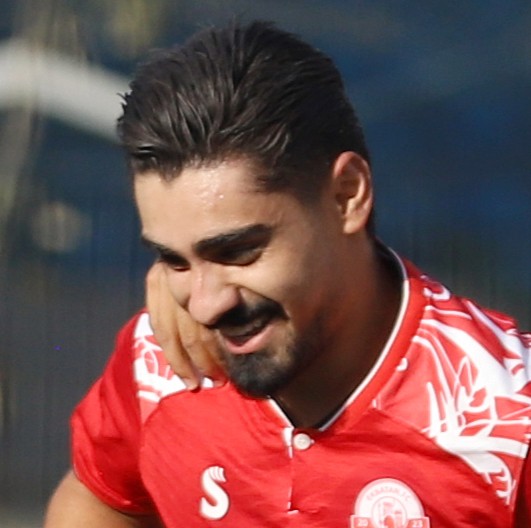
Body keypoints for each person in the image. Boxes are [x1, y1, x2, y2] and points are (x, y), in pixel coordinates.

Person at [44, 20, 531, 527]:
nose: (206, 305)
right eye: (175, 260)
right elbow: (98, 498)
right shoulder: (163, 356)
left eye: (237, 251)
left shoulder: (510, 428)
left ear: (346, 196)